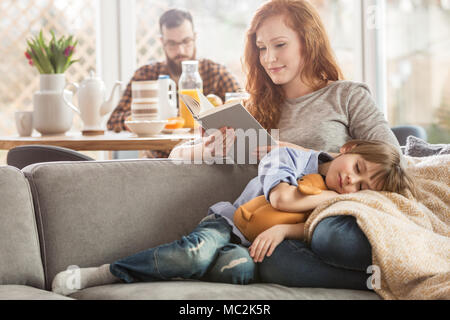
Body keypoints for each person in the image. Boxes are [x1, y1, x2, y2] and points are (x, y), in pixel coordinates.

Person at [168, 0, 403, 290]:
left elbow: (397, 162)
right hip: (277, 229)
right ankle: (376, 281)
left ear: (309, 42)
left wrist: (301, 152)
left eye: (279, 45)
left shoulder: (347, 96)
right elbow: (176, 154)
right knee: (274, 259)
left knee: (331, 236)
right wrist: (207, 149)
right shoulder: (252, 110)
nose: (269, 58)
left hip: (331, 221)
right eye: (262, 48)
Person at [51, 139, 416, 295]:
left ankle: (195, 268)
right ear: (348, 150)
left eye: (362, 186)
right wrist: (327, 202)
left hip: (247, 249)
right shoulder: (289, 158)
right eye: (357, 167)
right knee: (194, 253)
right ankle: (103, 273)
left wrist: (287, 231)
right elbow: (283, 197)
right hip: (227, 226)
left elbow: (306, 231)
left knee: (239, 271)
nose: (351, 180)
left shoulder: (341, 204)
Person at [107, 8, 242, 157]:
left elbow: (243, 108)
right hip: (158, 162)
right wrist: (147, 120)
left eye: (186, 41)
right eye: (172, 43)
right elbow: (114, 120)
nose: (180, 50)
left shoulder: (216, 73)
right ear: (162, 42)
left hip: (206, 161)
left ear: (195, 37)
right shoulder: (146, 75)